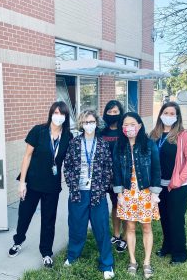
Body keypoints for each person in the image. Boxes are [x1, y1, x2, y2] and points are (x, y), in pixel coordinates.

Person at [8, 101, 73, 268]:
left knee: (48, 220)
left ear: (66, 117)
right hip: (33, 183)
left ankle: (46, 252)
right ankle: (18, 241)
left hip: (52, 186)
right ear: (51, 113)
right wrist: (22, 183)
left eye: (62, 114)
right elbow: (27, 156)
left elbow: (70, 161)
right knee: (24, 215)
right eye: (56, 112)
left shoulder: (68, 137)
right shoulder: (38, 131)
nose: (59, 116)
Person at [63, 110, 115, 280]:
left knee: (101, 228)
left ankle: (107, 263)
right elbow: (68, 166)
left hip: (97, 193)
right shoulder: (74, 143)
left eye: (91, 121)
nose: (89, 125)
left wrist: (102, 186)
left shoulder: (102, 144)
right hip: (78, 193)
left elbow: (108, 167)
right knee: (77, 226)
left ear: (96, 123)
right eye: (85, 122)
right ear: (81, 124)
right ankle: (72, 256)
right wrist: (72, 184)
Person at [113, 112, 161, 279]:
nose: (129, 127)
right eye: (126, 125)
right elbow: (117, 171)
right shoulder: (119, 146)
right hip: (127, 192)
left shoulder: (149, 144)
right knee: (130, 227)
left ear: (139, 126)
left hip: (146, 192)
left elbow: (156, 169)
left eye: (132, 124)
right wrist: (119, 194)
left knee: (147, 227)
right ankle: (132, 260)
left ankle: (147, 262)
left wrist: (155, 194)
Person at [150, 101, 187, 265]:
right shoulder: (154, 134)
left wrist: (179, 179)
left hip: (178, 185)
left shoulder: (183, 135)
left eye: (172, 114)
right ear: (160, 114)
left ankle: (180, 253)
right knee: (164, 218)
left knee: (176, 219)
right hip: (159, 186)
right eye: (166, 113)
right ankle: (167, 246)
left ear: (177, 117)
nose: (168, 116)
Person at [101, 100, 127, 253]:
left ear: (120, 113)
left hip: (123, 176)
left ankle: (124, 237)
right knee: (115, 205)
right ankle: (116, 234)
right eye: (109, 112)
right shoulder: (102, 132)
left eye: (115, 112)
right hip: (107, 177)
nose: (112, 114)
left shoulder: (124, 131)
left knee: (124, 205)